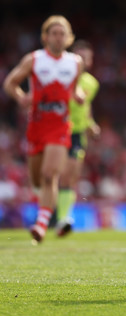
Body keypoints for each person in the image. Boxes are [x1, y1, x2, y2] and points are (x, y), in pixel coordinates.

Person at [3, 15, 83, 243]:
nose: (58, 38)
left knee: (50, 175)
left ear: (68, 38)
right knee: (37, 179)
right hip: (37, 126)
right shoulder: (34, 60)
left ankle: (41, 225)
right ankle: (46, 210)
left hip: (60, 127)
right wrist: (21, 98)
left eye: (62, 34)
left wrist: (76, 96)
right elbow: (10, 83)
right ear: (45, 37)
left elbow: (73, 88)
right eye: (54, 33)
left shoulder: (75, 62)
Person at [55, 40, 101, 237]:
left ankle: (62, 219)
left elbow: (86, 106)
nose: (82, 61)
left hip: (77, 132)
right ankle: (52, 214)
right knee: (54, 174)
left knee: (70, 176)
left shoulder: (92, 83)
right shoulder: (62, 76)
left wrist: (90, 123)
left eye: (86, 58)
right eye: (79, 57)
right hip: (57, 129)